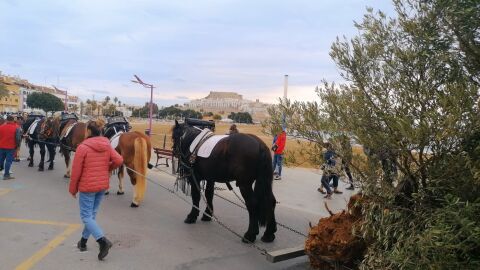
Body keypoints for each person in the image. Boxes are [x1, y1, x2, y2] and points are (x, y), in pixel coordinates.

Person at [69, 121, 123, 260]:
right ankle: (83, 242)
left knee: (86, 216)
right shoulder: (106, 144)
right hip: (101, 185)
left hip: (87, 186)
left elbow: (75, 171)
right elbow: (118, 160)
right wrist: (107, 168)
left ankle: (102, 241)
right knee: (91, 215)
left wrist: (73, 189)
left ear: (88, 131)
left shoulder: (83, 147)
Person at [0, 115, 22, 180]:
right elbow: (18, 139)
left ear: (6, 120)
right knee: (8, 161)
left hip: (1, 146)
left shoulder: (1, 127)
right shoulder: (16, 128)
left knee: (1, 160)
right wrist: (18, 146)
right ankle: (6, 175)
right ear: (13, 120)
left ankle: (2, 170)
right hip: (11, 147)